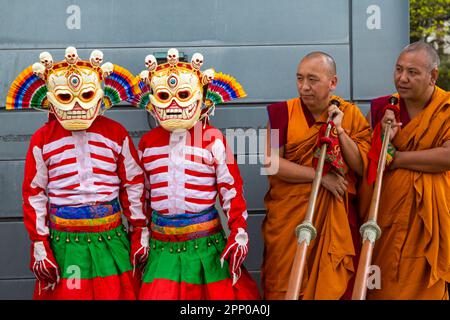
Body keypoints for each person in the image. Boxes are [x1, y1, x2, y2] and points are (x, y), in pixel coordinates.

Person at [6, 47, 149, 299]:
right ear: (50, 98)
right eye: (64, 97)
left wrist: (140, 231)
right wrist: (40, 243)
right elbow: (34, 194)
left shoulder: (116, 133)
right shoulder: (43, 139)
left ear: (100, 95)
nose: (75, 104)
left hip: (111, 239)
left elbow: (134, 184)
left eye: (85, 95)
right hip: (65, 244)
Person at [132, 49, 260, 299]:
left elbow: (232, 192)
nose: (173, 104)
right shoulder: (147, 143)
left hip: (205, 247)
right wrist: (140, 235)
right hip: (162, 247)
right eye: (164, 96)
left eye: (182, 94)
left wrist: (239, 232)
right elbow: (141, 197)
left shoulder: (213, 139)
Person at [261, 52, 371, 299]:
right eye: (299, 79)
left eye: (313, 80)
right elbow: (271, 163)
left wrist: (340, 131)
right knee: (286, 285)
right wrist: (319, 177)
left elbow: (362, 166)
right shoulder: (281, 114)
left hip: (335, 221)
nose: (304, 87)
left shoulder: (351, 115)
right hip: (289, 221)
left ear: (333, 82)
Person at [366, 41, 450, 300]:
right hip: (386, 216)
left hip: (431, 222)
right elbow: (371, 161)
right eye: (398, 69)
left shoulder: (446, 108)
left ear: (432, 76)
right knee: (381, 285)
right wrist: (384, 137)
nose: (402, 78)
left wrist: (397, 158)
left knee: (428, 286)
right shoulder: (383, 108)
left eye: (412, 72)